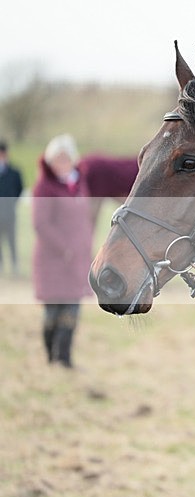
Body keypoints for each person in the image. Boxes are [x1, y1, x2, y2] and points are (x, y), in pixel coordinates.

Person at [32, 134, 94, 368]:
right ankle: (51, 357)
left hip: (77, 260)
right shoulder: (43, 187)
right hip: (53, 261)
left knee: (72, 311)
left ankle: (64, 359)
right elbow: (41, 224)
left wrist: (85, 246)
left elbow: (84, 219)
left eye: (66, 158)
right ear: (49, 161)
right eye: (57, 159)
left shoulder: (79, 183)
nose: (62, 163)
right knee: (53, 314)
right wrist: (63, 248)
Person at [0, 139, 24, 276]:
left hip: (9, 213)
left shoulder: (14, 173)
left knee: (11, 240)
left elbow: (19, 189)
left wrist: (12, 202)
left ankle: (15, 265)